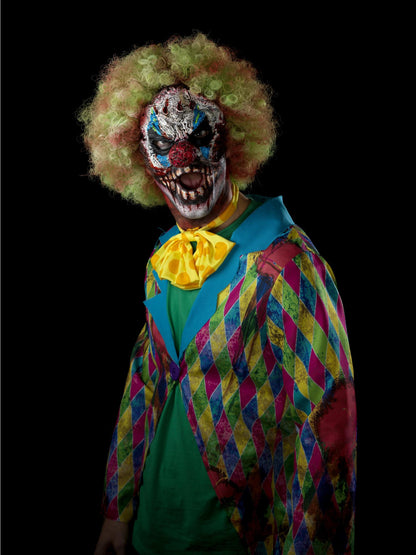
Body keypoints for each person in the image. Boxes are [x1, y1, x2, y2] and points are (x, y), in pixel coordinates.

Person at [80, 33, 356, 555]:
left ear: (232, 140)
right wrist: (118, 508)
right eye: (163, 144)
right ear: (139, 160)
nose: (184, 158)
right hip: (153, 531)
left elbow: (327, 425)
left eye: (201, 136)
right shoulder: (163, 258)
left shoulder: (285, 262)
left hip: (241, 538)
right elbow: (146, 384)